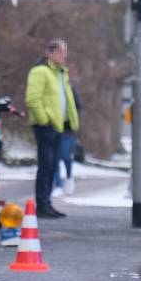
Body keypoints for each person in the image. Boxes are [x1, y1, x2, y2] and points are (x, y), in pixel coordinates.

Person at [25, 38, 79, 219]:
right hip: (46, 126)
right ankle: (42, 203)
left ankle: (46, 202)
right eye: (61, 52)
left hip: (58, 126)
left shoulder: (60, 73)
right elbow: (33, 98)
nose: (64, 56)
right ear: (51, 53)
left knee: (53, 165)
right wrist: (44, 120)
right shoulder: (40, 71)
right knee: (46, 165)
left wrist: (70, 121)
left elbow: (66, 99)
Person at [53, 68, 82, 196]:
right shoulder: (51, 91)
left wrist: (72, 122)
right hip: (54, 128)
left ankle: (69, 177)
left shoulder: (70, 90)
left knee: (65, 156)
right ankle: (58, 185)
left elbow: (77, 107)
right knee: (55, 158)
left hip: (67, 130)